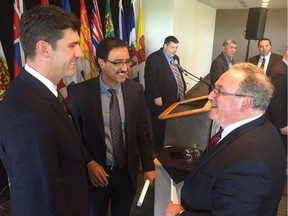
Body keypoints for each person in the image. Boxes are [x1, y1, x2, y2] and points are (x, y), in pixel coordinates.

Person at [0, 5, 90, 216]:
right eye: (72, 45)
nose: (80, 52)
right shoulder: (28, 115)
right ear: (44, 49)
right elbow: (40, 204)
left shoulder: (40, 91)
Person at [165, 63, 286, 216]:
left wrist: (179, 214)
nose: (210, 96)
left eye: (219, 91)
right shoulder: (263, 128)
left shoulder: (250, 165)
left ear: (245, 103)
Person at [68, 37, 156, 216]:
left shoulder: (135, 90)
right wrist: (89, 162)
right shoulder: (80, 93)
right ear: (101, 62)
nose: (125, 68)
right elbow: (73, 136)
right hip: (97, 175)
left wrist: (148, 166)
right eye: (117, 63)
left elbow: (143, 131)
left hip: (127, 172)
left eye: (126, 61)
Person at [144, 36, 186, 153]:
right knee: (159, 125)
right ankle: (159, 149)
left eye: (176, 47)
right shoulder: (154, 58)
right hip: (160, 99)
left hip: (174, 97)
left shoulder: (175, 58)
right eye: (172, 47)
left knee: (171, 122)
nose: (175, 50)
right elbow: (150, 79)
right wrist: (156, 96)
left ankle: (169, 143)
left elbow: (177, 74)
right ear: (165, 46)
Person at [267, 48, 288, 151]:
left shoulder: (283, 67)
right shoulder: (280, 71)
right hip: (278, 123)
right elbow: (276, 102)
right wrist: (283, 125)